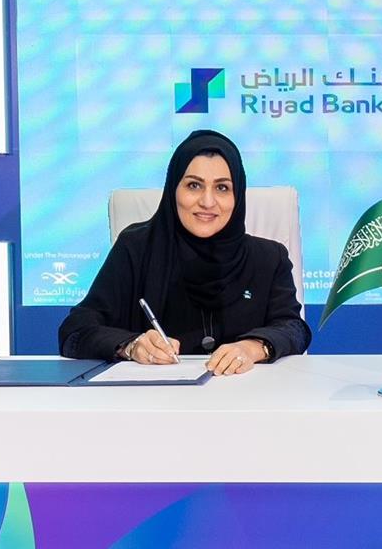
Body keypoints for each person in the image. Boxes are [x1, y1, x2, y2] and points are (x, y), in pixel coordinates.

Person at [59, 129, 310, 374]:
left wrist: (254, 347)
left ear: (237, 196)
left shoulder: (268, 258)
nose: (207, 202)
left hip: (245, 396)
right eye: (194, 185)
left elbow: (294, 329)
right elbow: (75, 331)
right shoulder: (135, 248)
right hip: (155, 397)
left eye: (222, 188)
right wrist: (131, 346)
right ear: (173, 189)